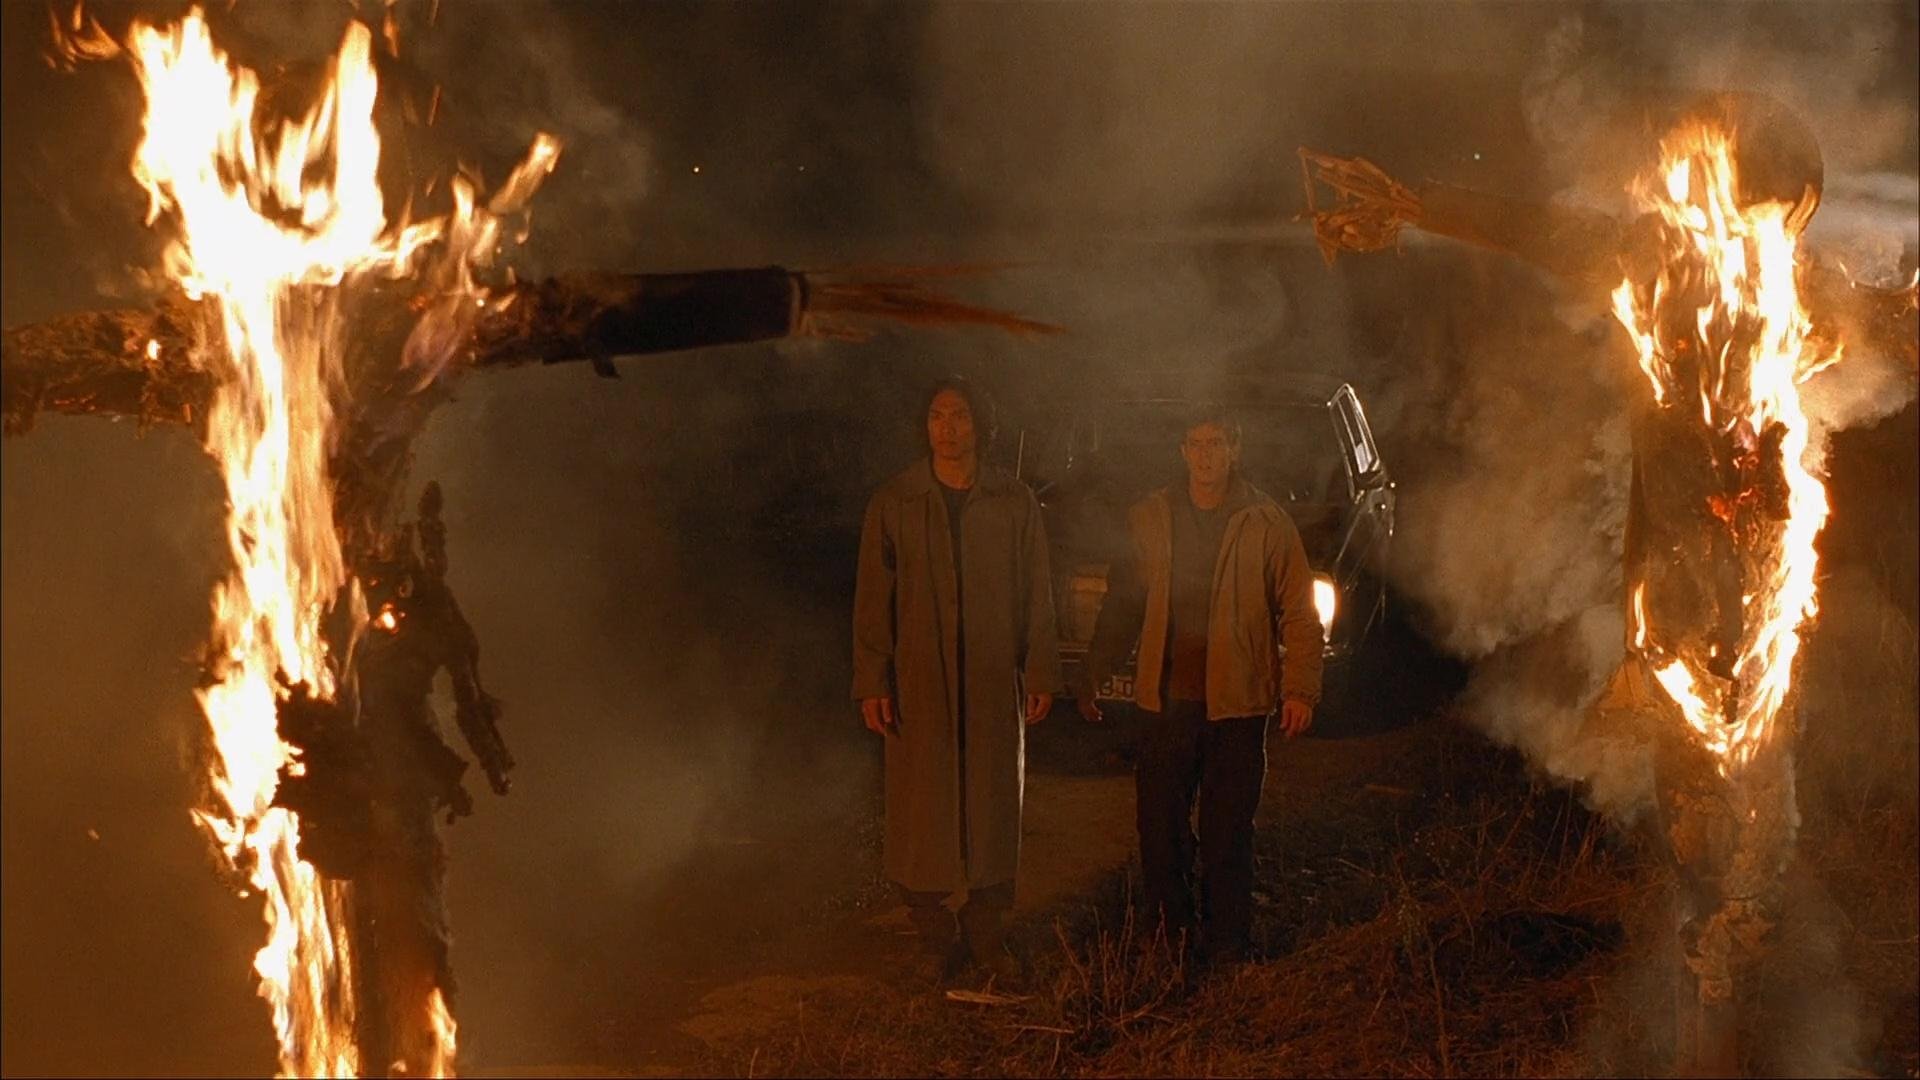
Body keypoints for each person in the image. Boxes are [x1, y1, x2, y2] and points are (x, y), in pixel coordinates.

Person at [1075, 404, 1323, 967]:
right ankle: (1170, 938)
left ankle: (1227, 946)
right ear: (1182, 452)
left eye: (1216, 444)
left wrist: (1300, 689)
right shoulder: (1151, 517)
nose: (1206, 456)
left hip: (1237, 706)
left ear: (1235, 450)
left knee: (1226, 833)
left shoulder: (1266, 522)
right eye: (1196, 444)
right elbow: (1125, 601)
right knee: (1160, 832)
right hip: (1166, 703)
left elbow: (1299, 610)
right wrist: (1093, 671)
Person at [852, 376, 1062, 984]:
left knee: (992, 804)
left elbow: (1036, 592)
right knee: (921, 809)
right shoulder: (897, 502)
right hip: (919, 680)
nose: (948, 428)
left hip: (993, 676)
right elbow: (873, 599)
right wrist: (873, 680)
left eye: (960, 416)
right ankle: (933, 936)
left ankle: (988, 933)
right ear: (925, 426)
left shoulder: (1012, 501)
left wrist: (1041, 668)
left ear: (979, 425)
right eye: (937, 416)